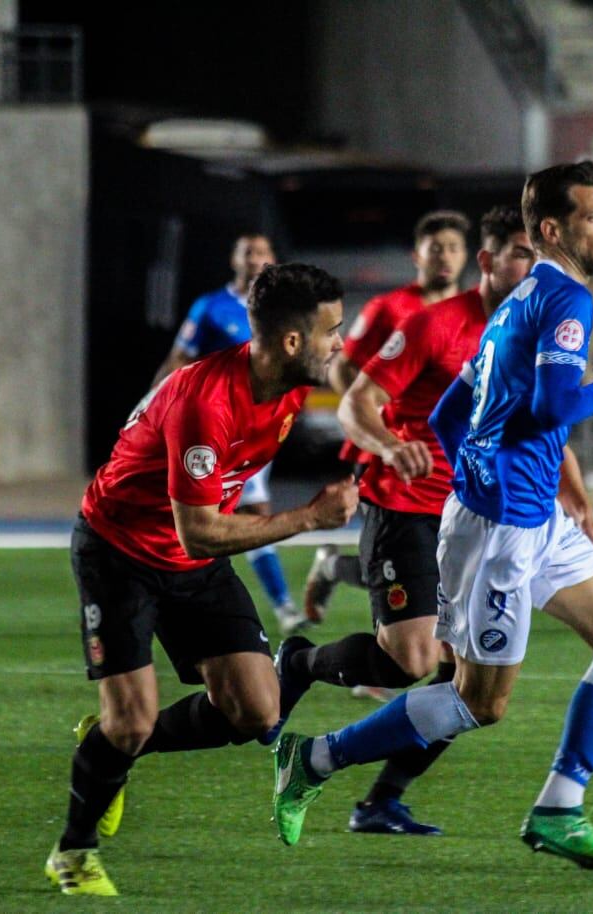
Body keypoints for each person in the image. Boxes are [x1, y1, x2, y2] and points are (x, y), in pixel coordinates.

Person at [272, 161, 593, 871]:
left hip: (521, 516)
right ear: (553, 229)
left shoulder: (517, 301)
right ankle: (316, 759)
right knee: (477, 702)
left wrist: (478, 474)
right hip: (505, 529)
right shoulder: (565, 302)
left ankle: (559, 809)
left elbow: (455, 409)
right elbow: (548, 408)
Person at [43, 264, 359, 896]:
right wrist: (310, 518)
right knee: (131, 720)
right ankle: (73, 854)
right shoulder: (205, 401)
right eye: (332, 331)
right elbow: (201, 532)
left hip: (190, 560)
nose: (340, 344)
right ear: (292, 342)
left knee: (256, 710)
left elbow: (202, 534)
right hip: (119, 551)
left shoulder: (292, 389)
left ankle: (108, 746)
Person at [276, 206, 565, 836]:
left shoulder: (535, 332)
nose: (529, 266)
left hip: (478, 518)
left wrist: (580, 500)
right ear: (488, 262)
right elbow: (356, 400)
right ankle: (298, 663)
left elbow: (543, 426)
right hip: (404, 505)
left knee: (463, 683)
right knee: (409, 661)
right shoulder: (431, 324)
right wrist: (385, 447)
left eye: (534, 256)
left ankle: (381, 800)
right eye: (517, 253)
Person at [303, 210, 471, 626]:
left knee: (434, 562)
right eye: (436, 249)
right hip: (390, 449)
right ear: (418, 255)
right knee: (401, 554)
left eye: (453, 248)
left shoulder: (471, 314)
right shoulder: (388, 307)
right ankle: (385, 656)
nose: (444, 258)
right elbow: (343, 367)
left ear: (467, 255)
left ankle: (334, 568)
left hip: (445, 452)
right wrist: (374, 417)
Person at [151, 232, 307, 636]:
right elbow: (179, 360)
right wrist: (150, 409)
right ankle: (275, 604)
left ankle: (270, 603)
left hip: (256, 431)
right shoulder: (211, 307)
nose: (255, 259)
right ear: (234, 260)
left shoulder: (282, 312)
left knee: (238, 513)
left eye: (262, 252)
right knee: (225, 515)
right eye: (248, 253)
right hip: (214, 427)